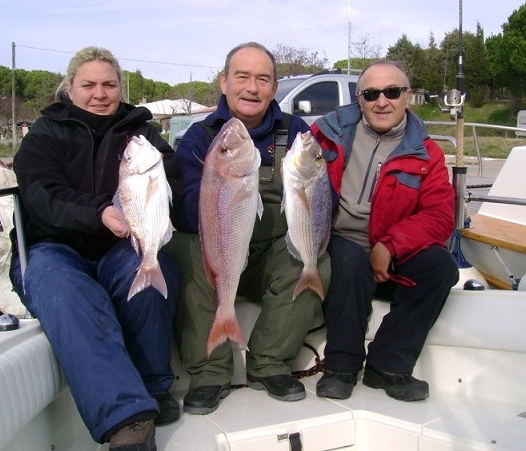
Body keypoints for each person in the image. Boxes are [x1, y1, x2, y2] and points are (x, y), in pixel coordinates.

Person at [9, 46, 182, 451]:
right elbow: (40, 195)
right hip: (54, 244)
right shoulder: (44, 134)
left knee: (152, 272)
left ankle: (155, 383)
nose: (100, 93)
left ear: (121, 89)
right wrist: (98, 212)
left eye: (109, 84)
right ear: (69, 89)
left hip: (121, 242)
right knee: (68, 293)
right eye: (89, 85)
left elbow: (171, 174)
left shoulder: (143, 133)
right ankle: (126, 419)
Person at [167, 42, 329, 414]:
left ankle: (269, 363)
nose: (251, 88)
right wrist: (222, 187)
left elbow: (319, 198)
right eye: (242, 77)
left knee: (313, 260)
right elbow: (186, 213)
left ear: (274, 88)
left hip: (268, 257)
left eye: (262, 79)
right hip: (221, 253)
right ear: (224, 83)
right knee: (183, 251)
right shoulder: (201, 136)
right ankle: (209, 372)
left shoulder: (296, 132)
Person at [310, 59, 459, 402]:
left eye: (392, 92)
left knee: (440, 266)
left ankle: (388, 365)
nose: (382, 101)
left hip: (392, 248)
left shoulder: (428, 153)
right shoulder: (326, 134)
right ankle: (341, 366)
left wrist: (391, 245)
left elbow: (439, 215)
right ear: (358, 99)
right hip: (335, 240)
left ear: (408, 97)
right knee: (349, 259)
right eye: (371, 93)